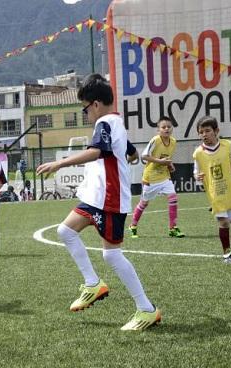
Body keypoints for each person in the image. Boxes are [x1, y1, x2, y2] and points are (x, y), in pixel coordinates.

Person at [36, 73, 160, 331]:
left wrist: (59, 163)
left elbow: (96, 152)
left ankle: (146, 310)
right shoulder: (115, 123)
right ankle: (93, 284)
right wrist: (130, 157)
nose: (85, 114)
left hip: (109, 199)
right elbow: (131, 152)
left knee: (112, 255)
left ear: (94, 104)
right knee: (65, 231)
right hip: (97, 197)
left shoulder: (104, 122)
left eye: (84, 108)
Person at [128, 117, 185, 239]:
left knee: (173, 197)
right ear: (158, 130)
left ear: (172, 129)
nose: (166, 129)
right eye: (163, 127)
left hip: (164, 176)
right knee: (144, 203)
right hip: (150, 178)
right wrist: (160, 161)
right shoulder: (156, 140)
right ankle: (133, 225)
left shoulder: (173, 142)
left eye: (169, 127)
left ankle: (172, 228)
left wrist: (170, 165)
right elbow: (144, 156)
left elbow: (167, 158)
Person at [193, 116, 231, 263]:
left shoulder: (227, 145)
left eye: (207, 131)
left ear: (216, 131)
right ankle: (227, 254)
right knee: (223, 222)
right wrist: (197, 176)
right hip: (215, 195)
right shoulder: (198, 152)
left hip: (230, 192)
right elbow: (196, 171)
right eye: (201, 132)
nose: (204, 134)